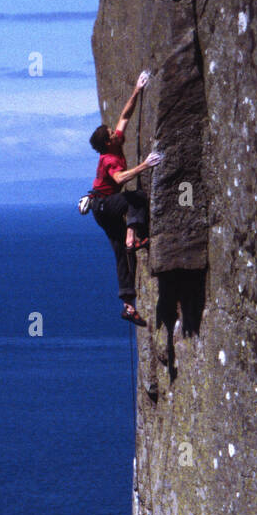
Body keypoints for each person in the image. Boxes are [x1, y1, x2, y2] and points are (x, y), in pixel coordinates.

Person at [89, 71, 162, 327]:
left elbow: (125, 115)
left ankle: (128, 305)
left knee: (120, 253)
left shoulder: (113, 143)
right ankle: (133, 235)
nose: (116, 132)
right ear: (108, 142)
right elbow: (119, 180)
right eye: (112, 133)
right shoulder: (109, 159)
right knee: (137, 197)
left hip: (101, 207)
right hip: (103, 205)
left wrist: (137, 88)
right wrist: (145, 165)